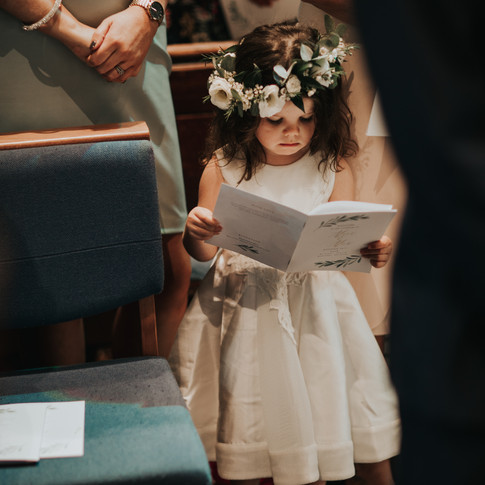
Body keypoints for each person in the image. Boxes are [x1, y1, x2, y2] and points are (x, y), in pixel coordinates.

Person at [169, 20, 400, 485]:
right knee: (250, 410)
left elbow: (342, 243)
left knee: (323, 405)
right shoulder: (224, 168)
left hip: (319, 313)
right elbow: (203, 255)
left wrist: (371, 248)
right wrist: (196, 230)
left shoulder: (332, 167)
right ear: (245, 111)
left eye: (307, 119)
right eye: (276, 120)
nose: (293, 132)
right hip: (244, 309)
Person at [0, 0, 191, 362]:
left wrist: (147, 12)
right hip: (27, 42)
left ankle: (136, 391)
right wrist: (69, 31)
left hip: (135, 42)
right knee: (52, 270)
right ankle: (70, 394)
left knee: (167, 266)